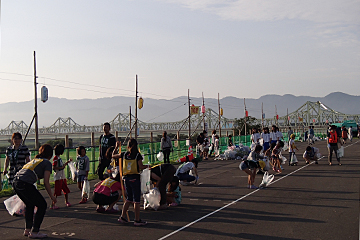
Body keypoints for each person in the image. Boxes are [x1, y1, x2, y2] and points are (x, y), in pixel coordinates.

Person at [12, 144, 56, 239]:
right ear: (50, 155)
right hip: (25, 184)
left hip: (16, 182)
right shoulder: (47, 163)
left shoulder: (35, 160)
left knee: (30, 204)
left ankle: (27, 230)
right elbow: (46, 182)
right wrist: (52, 196)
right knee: (42, 205)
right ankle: (35, 231)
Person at [113, 139, 148, 226]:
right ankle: (137, 220)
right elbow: (140, 166)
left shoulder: (124, 154)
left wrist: (116, 147)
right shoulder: (137, 155)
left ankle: (122, 216)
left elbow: (113, 155)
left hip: (126, 178)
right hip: (135, 178)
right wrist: (147, 166)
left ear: (128, 146)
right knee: (136, 200)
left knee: (129, 198)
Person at [50, 144, 72, 209]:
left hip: (62, 176)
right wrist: (60, 167)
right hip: (58, 177)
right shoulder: (56, 158)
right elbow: (54, 167)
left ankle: (67, 201)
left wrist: (67, 162)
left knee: (65, 189)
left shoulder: (59, 158)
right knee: (57, 191)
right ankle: (52, 204)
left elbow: (62, 166)